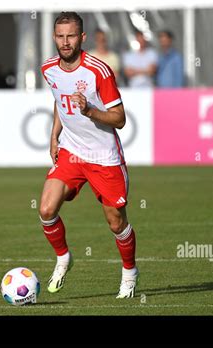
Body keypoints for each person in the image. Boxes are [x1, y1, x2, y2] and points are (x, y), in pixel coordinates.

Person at [40, 12, 139, 298]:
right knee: (46, 209)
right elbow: (59, 100)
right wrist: (54, 136)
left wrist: (90, 111)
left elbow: (119, 119)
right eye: (60, 36)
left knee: (116, 222)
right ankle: (63, 257)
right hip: (71, 151)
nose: (65, 42)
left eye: (71, 36)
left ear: (82, 37)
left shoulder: (99, 71)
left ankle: (130, 272)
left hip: (104, 157)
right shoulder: (48, 69)